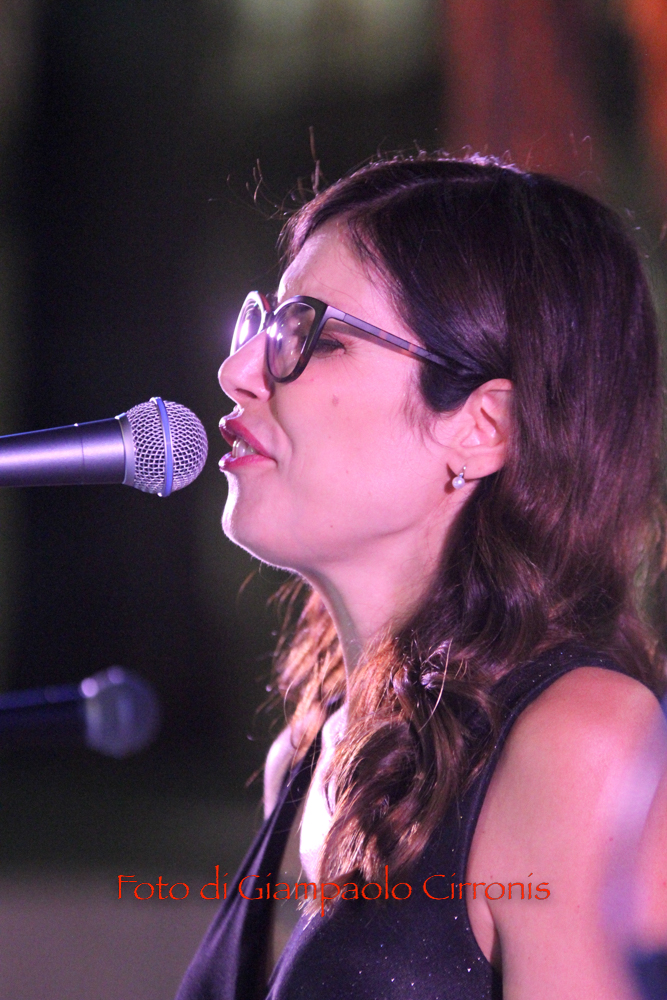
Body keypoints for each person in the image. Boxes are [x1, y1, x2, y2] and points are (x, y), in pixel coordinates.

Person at [177, 154, 667, 1000]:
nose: (238, 371)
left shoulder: (580, 742)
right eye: (263, 324)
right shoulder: (309, 755)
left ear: (482, 426)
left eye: (314, 336)